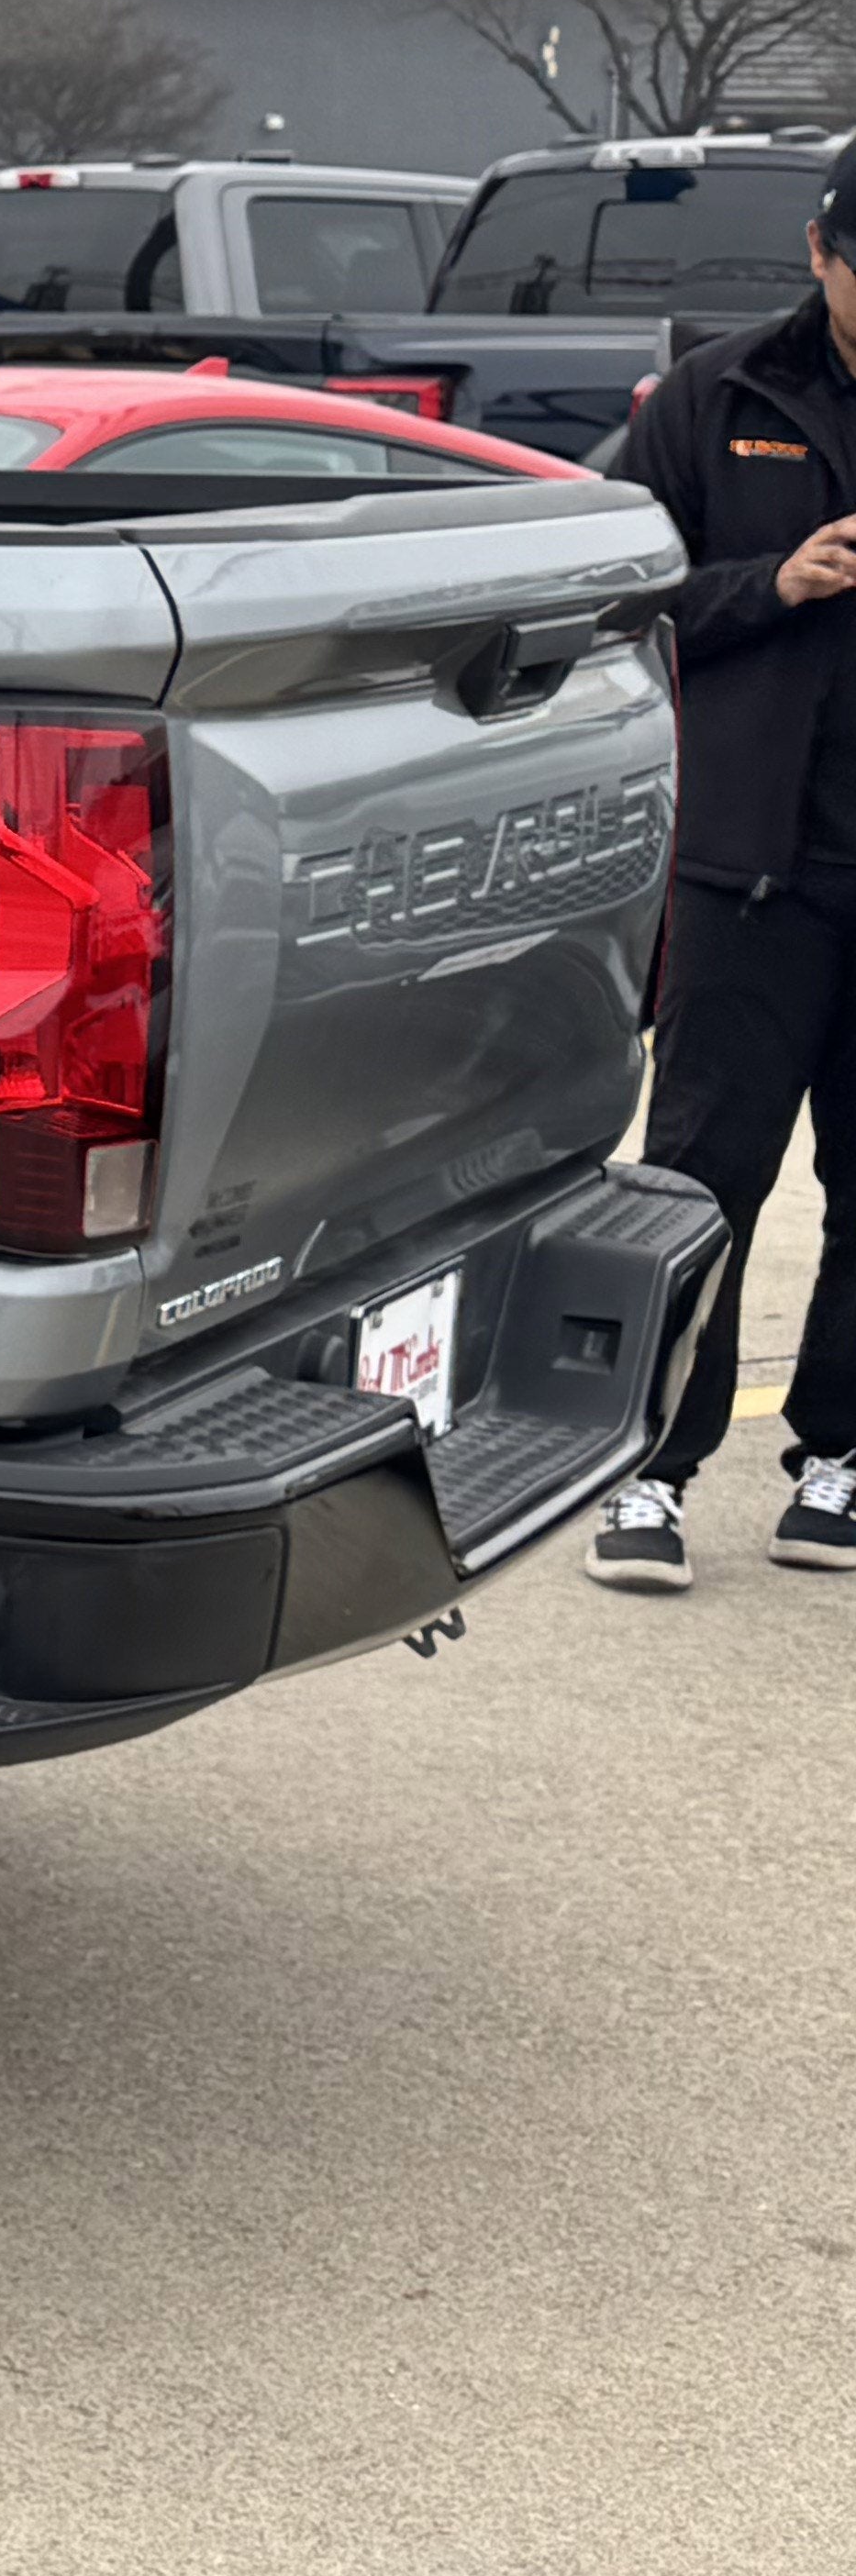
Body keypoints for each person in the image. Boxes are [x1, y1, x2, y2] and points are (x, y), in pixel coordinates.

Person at [595, 150, 856, 1586]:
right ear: (820, 250)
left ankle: (839, 1457)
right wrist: (776, 583)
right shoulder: (719, 396)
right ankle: (650, 1470)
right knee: (703, 1175)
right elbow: (620, 599)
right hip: (750, 866)